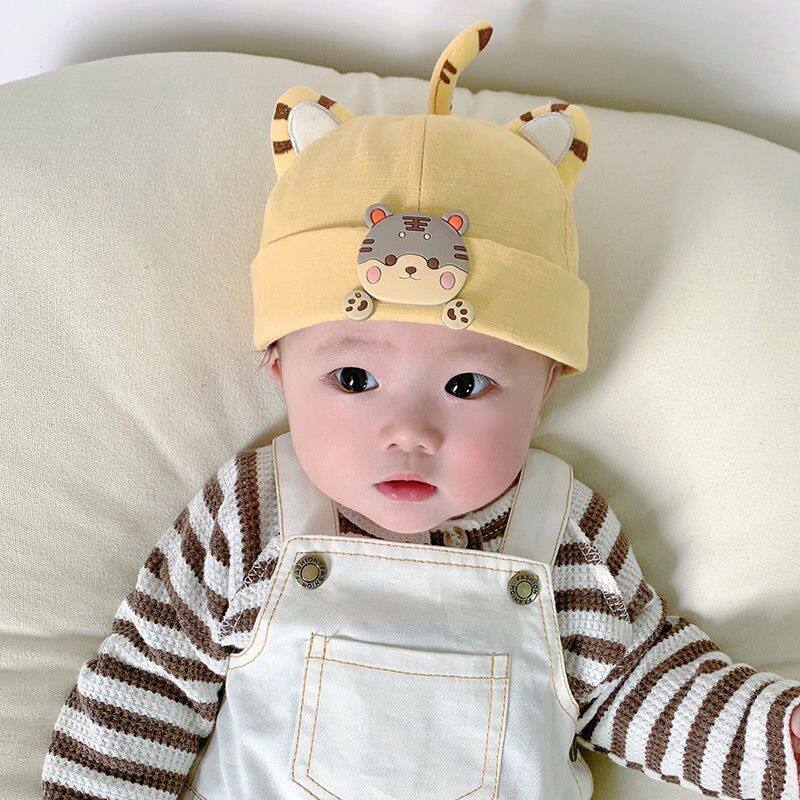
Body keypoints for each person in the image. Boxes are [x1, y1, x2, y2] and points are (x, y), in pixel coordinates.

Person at [41, 19, 800, 800]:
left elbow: (642, 680)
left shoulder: (562, 531)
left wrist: (776, 737)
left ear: (545, 387)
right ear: (279, 370)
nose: (408, 431)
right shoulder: (251, 514)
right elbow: (145, 687)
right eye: (353, 379)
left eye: (466, 386)